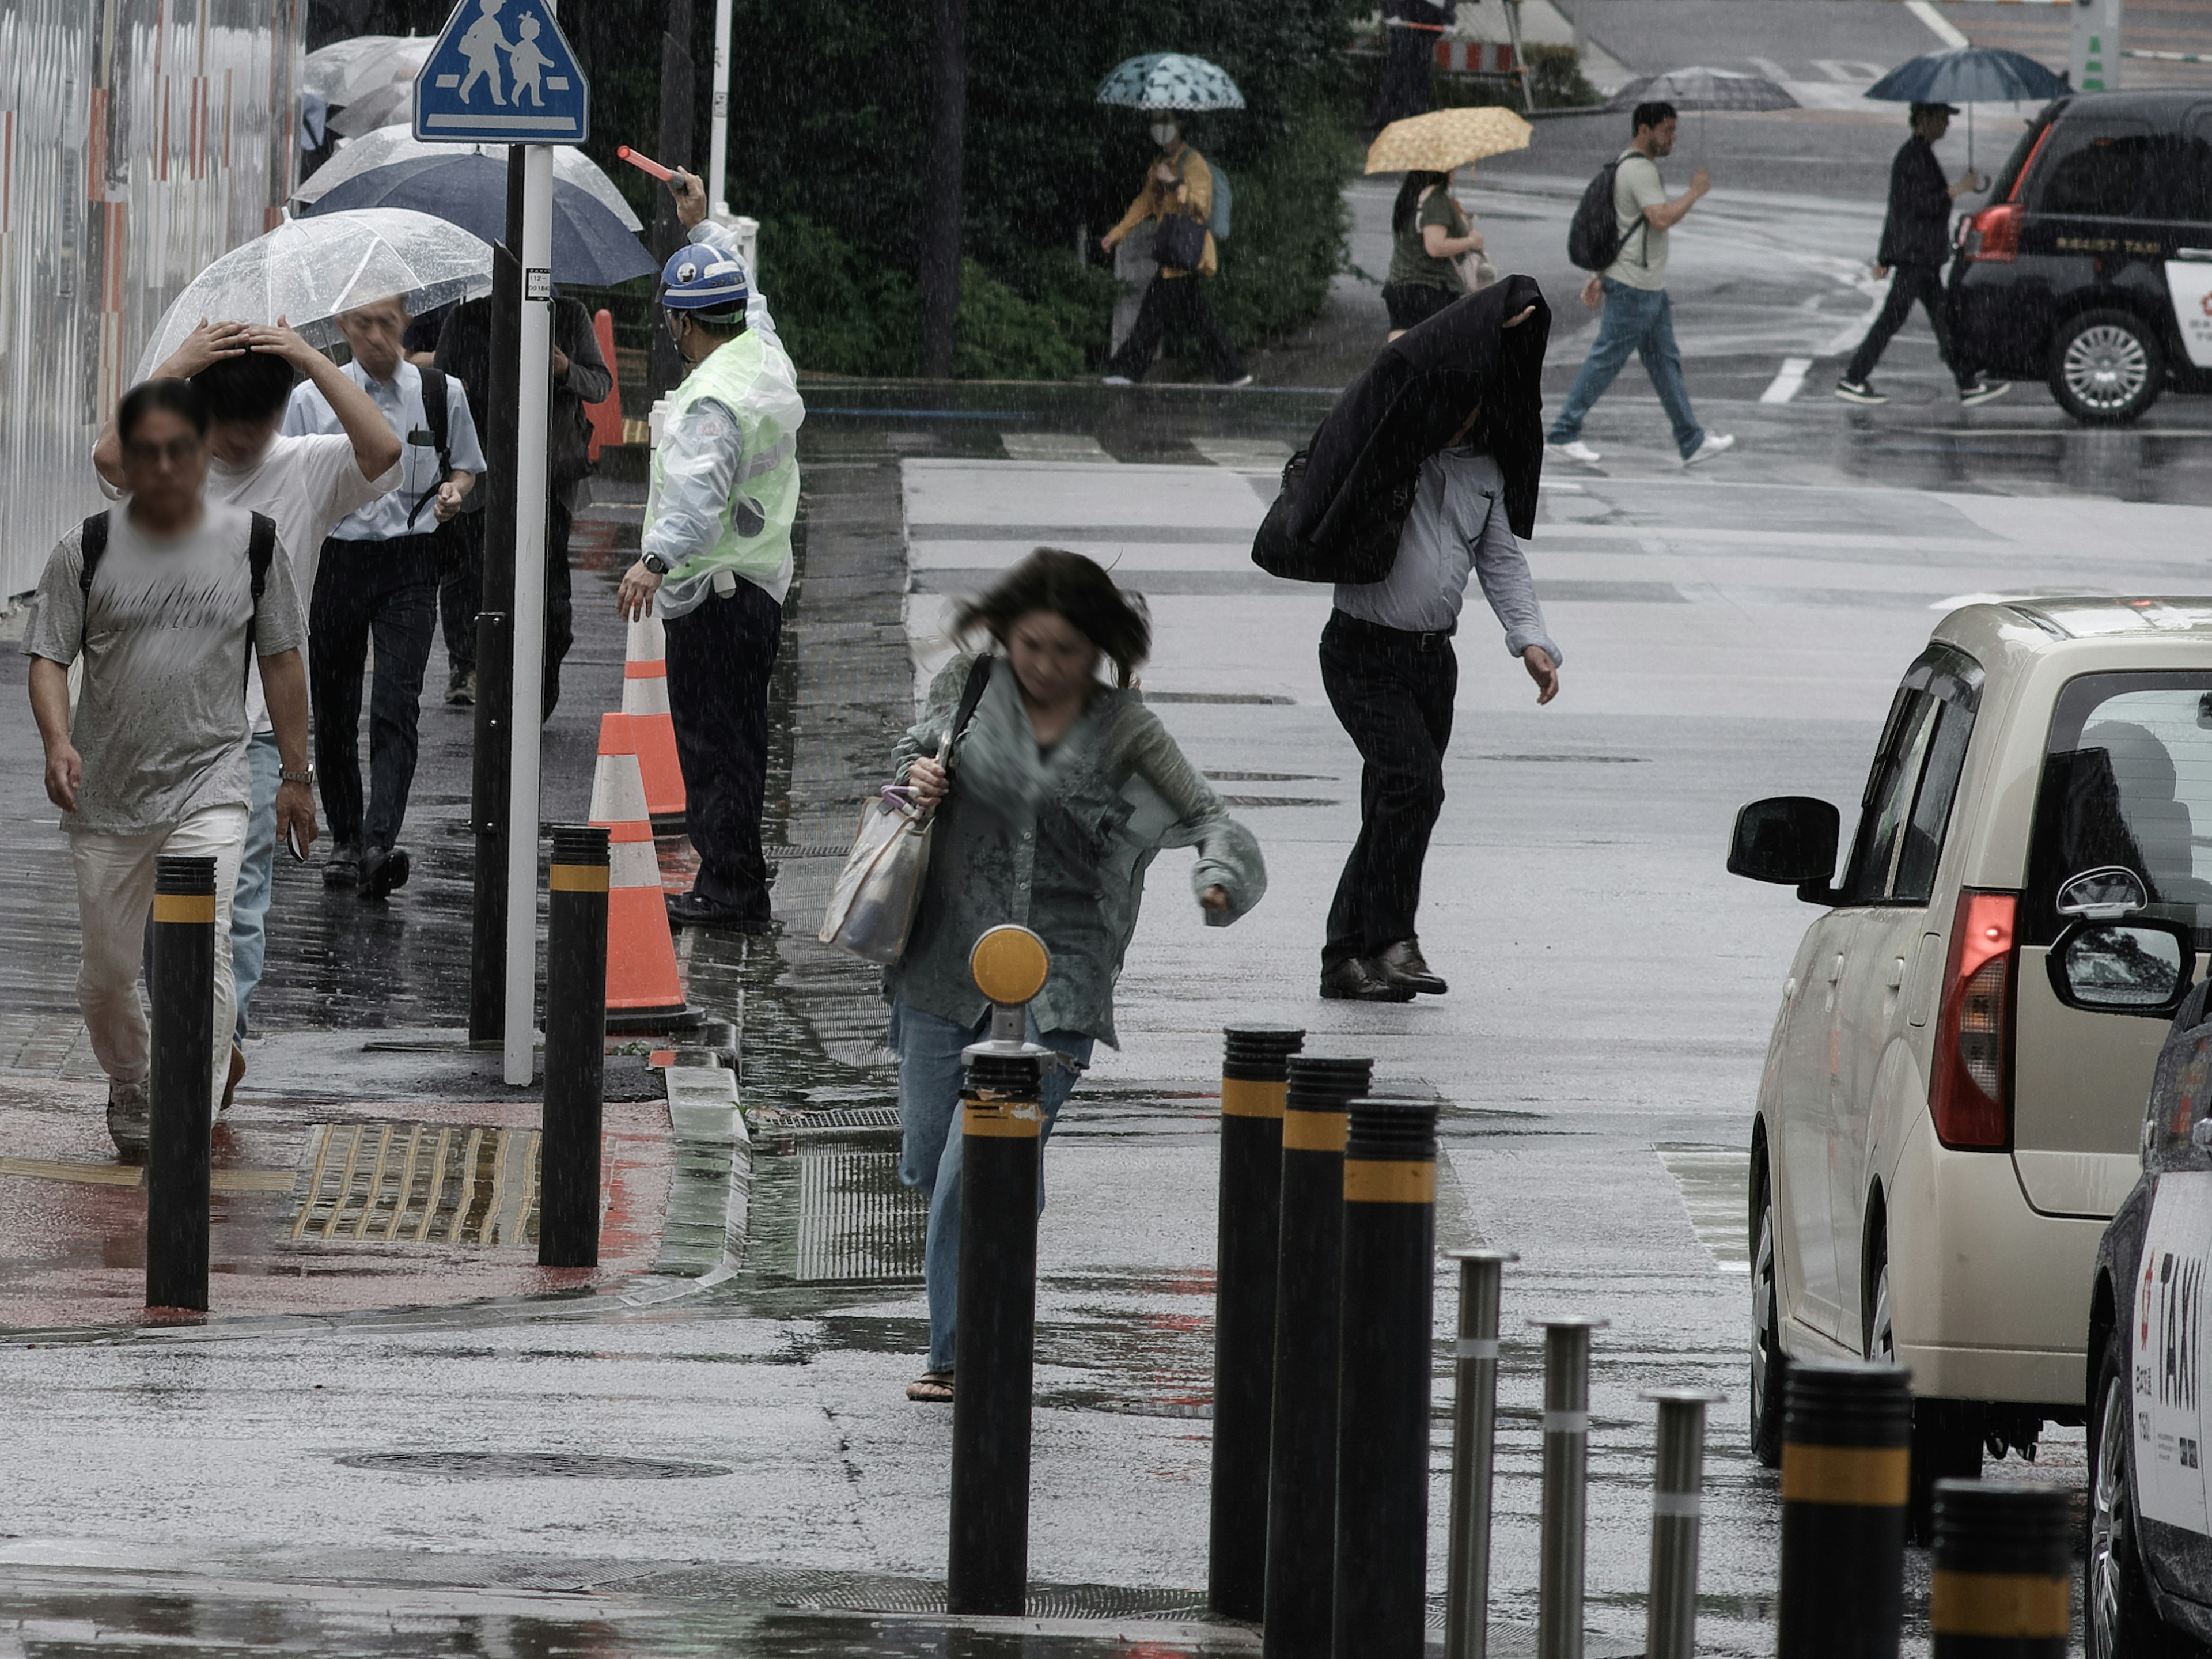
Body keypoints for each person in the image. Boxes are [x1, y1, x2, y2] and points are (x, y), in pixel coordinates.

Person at [885, 550, 1267, 1401]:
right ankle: (1006, 1205)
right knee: (928, 1157)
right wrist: (916, 777)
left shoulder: (1124, 728)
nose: (1046, 667)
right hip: (943, 963)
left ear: (1097, 649)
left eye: (1066, 651)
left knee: (971, 1168)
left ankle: (961, 1351)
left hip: (1059, 982)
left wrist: (1220, 878)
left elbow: (1211, 817)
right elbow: (901, 766)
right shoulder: (968, 686)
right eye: (1030, 646)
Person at [91, 320, 401, 1103]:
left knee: (238, 901)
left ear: (281, 411)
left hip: (258, 733)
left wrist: (308, 359)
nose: (240, 443)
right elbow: (106, 458)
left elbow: (385, 451)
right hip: (159, 725)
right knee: (168, 910)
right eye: (228, 427)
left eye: (255, 426)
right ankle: (191, 1035)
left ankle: (211, 1047)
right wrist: (179, 364)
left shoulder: (307, 468)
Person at [24, 379, 315, 1159]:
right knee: (107, 977)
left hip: (212, 785)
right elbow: (48, 658)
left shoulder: (253, 544)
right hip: (107, 798)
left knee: (204, 948)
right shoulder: (83, 550)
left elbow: (284, 660)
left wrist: (297, 775)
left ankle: (186, 1104)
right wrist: (58, 741)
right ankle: (134, 1080)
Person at [1320, 297, 1560, 1001]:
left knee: (1398, 804)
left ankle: (1348, 958)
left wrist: (1532, 642)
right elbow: (1399, 377)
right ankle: (1394, 941)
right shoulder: (1397, 448)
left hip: (1431, 662)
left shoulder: (1485, 468)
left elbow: (1501, 560)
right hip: (1361, 652)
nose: (1467, 414)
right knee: (1413, 787)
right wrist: (1487, 321)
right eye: (1459, 400)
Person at [614, 168, 803, 934]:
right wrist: (705, 232)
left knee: (714, 747)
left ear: (681, 326)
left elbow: (696, 496)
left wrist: (652, 560)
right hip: (754, 587)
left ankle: (730, 890)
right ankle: (739, 879)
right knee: (741, 743)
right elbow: (752, 305)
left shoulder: (708, 400)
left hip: (715, 595)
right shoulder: (759, 360)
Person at [282, 295, 484, 901]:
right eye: (363, 323)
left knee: (397, 703)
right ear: (342, 326)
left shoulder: (440, 393)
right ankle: (344, 840)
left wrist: (453, 490)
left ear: (406, 323)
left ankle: (378, 841)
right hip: (337, 561)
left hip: (410, 562)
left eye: (387, 323)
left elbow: (469, 468)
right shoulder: (310, 400)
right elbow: (286, 479)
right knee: (337, 707)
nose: (376, 336)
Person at [433, 289, 613, 714]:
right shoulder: (466, 319)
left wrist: (564, 368)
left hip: (549, 476)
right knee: (467, 576)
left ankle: (540, 683)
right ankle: (467, 667)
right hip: (478, 473)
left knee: (551, 595)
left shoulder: (569, 315)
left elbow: (601, 385)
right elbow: (438, 389)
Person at [1546, 102, 1734, 470]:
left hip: (1644, 284)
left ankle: (1691, 440)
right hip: (1635, 286)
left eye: (1674, 130)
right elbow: (1659, 218)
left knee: (1664, 364)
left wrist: (1600, 275)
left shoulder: (1627, 166)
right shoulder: (1640, 170)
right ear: (1643, 130)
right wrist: (1695, 192)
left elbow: (1625, 227)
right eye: (1666, 130)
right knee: (1607, 360)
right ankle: (1563, 432)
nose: (1672, 138)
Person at [1836, 103, 2009, 407]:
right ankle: (1853, 378)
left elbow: (1900, 209)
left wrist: (1885, 256)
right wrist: (1959, 189)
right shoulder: (1913, 157)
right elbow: (1920, 207)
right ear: (1925, 120)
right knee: (1895, 319)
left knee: (1943, 321)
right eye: (1942, 119)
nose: (1946, 125)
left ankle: (1967, 384)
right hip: (1916, 257)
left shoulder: (1919, 154)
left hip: (1923, 257)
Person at [1099, 121, 1252, 388]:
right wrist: (1117, 234)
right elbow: (1145, 202)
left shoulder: (1194, 163)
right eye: (1156, 121)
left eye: (1165, 121)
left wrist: (1175, 183)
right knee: (1200, 318)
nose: (1160, 127)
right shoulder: (1160, 164)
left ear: (1180, 125)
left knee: (1153, 314)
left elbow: (1199, 207)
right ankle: (1233, 372)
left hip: (1185, 249)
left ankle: (1126, 370)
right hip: (1172, 250)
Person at [1382, 168, 1485, 340]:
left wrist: (1457, 215)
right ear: (1439, 170)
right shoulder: (1435, 199)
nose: (1455, 171)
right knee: (1437, 350)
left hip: (1400, 285)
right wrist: (1472, 242)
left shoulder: (1409, 195)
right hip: (1430, 289)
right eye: (1452, 167)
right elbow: (1435, 247)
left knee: (1402, 349)